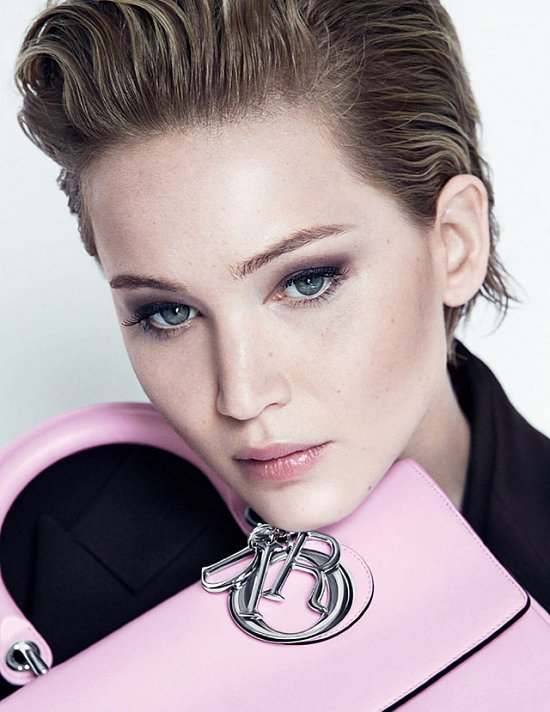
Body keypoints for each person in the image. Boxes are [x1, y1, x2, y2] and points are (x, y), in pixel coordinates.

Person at [3, 0, 548, 699]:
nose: (241, 395)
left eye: (306, 281)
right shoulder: (53, 558)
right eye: (168, 312)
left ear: (456, 244)